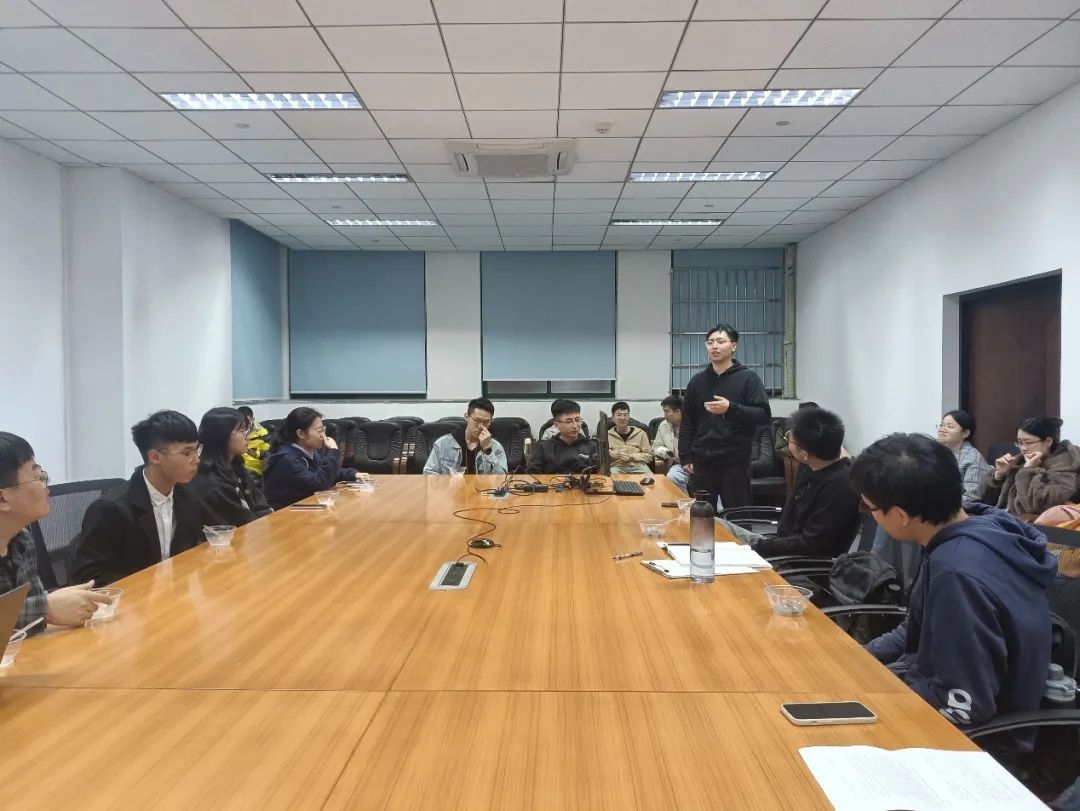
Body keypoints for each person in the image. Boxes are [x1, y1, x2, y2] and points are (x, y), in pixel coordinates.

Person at [853, 433, 1056, 739]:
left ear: (900, 515)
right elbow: (918, 628)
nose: (868, 513)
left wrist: (878, 698)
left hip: (975, 739)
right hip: (934, 686)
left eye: (868, 507)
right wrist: (856, 657)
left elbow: (965, 707)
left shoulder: (956, 574)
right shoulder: (976, 527)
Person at [71, 411, 208, 587]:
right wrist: (149, 585)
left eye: (197, 450)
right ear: (155, 457)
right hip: (132, 599)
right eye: (187, 452)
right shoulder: (110, 509)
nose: (196, 460)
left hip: (176, 593)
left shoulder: (189, 496)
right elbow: (87, 576)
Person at [0, 432, 113, 633]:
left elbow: (26, 625)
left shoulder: (21, 539)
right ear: (2, 499)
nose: (47, 486)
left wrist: (57, 604)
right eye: (37, 478)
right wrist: (47, 608)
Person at [717, 407, 861, 559]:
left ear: (804, 454)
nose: (787, 440)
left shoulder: (839, 487)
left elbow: (811, 544)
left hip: (797, 561)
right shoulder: (810, 465)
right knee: (711, 523)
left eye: (789, 439)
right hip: (780, 544)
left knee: (718, 555)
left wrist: (756, 547)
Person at [679, 323, 772, 510]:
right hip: (702, 460)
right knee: (702, 514)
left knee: (738, 514)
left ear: (734, 346)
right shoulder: (697, 381)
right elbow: (687, 421)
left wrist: (730, 408)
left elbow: (762, 416)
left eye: (720, 341)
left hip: (734, 460)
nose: (714, 346)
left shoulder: (748, 378)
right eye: (710, 342)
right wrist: (686, 456)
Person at [186, 407, 273, 526]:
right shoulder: (209, 480)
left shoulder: (236, 466)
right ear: (222, 435)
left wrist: (268, 517)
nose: (247, 436)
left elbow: (259, 501)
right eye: (242, 431)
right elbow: (239, 520)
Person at [262, 407, 360, 509]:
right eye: (319, 431)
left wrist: (353, 474)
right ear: (301, 434)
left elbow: (324, 473)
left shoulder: (309, 452)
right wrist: (333, 451)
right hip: (284, 513)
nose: (323, 435)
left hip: (304, 507)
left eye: (323, 430)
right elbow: (319, 483)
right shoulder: (287, 459)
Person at [982, 416, 1080, 516]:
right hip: (998, 516)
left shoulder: (1064, 466)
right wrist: (999, 475)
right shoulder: (1019, 460)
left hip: (1025, 523)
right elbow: (987, 501)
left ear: (1048, 442)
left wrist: (1028, 471)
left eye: (1028, 442)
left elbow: (1035, 506)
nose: (1023, 448)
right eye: (1019, 443)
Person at [424, 398, 508, 475]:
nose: (481, 426)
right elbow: (428, 474)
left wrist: (488, 451)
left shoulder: (496, 447)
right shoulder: (443, 444)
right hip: (451, 487)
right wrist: (448, 482)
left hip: (483, 487)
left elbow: (502, 480)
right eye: (477, 420)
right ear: (467, 417)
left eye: (486, 422)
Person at [527, 399, 598, 475]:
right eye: (569, 421)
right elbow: (533, 475)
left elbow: (600, 475)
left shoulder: (591, 446)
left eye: (577, 420)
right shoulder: (543, 448)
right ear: (557, 425)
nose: (575, 426)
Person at [937, 410, 992, 502]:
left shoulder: (973, 458)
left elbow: (971, 498)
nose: (942, 429)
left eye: (950, 427)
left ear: (965, 433)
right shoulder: (937, 452)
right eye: (942, 425)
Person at [653, 395, 689, 493]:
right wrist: (666, 452)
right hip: (680, 465)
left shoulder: (693, 424)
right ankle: (685, 501)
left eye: (667, 411)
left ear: (678, 412)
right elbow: (656, 446)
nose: (664, 415)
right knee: (672, 477)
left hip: (698, 464)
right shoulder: (664, 425)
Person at [607, 402, 652, 476]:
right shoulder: (607, 435)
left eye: (625, 415)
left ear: (629, 417)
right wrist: (614, 454)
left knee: (651, 479)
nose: (623, 418)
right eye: (619, 415)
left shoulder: (641, 433)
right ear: (613, 418)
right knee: (611, 479)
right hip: (617, 467)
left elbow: (649, 456)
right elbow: (602, 457)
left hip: (639, 466)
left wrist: (632, 457)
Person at [237, 405, 271, 478]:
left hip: (254, 471)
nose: (245, 425)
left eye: (247, 422)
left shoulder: (263, 434)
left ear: (253, 419)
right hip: (237, 467)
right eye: (241, 422)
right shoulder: (234, 433)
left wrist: (255, 453)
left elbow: (268, 454)